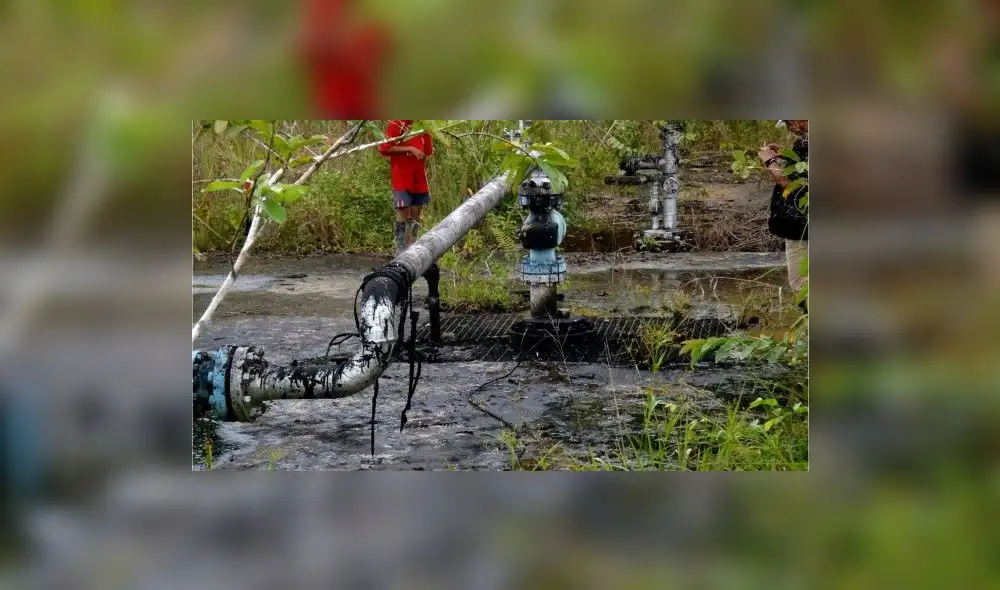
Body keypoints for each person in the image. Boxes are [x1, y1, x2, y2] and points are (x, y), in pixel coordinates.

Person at [758, 119, 809, 311]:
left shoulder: (806, 142)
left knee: (801, 284)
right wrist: (784, 157)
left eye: (789, 123)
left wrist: (769, 161)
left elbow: (790, 183)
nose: (789, 128)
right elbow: (801, 172)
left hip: (801, 223)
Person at [378, 120, 434, 254]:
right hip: (401, 175)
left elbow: (427, 151)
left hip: (419, 176)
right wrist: (409, 148)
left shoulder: (424, 124)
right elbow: (384, 148)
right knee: (403, 209)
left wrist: (426, 136)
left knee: (416, 210)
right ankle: (400, 248)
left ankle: (413, 247)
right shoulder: (397, 123)